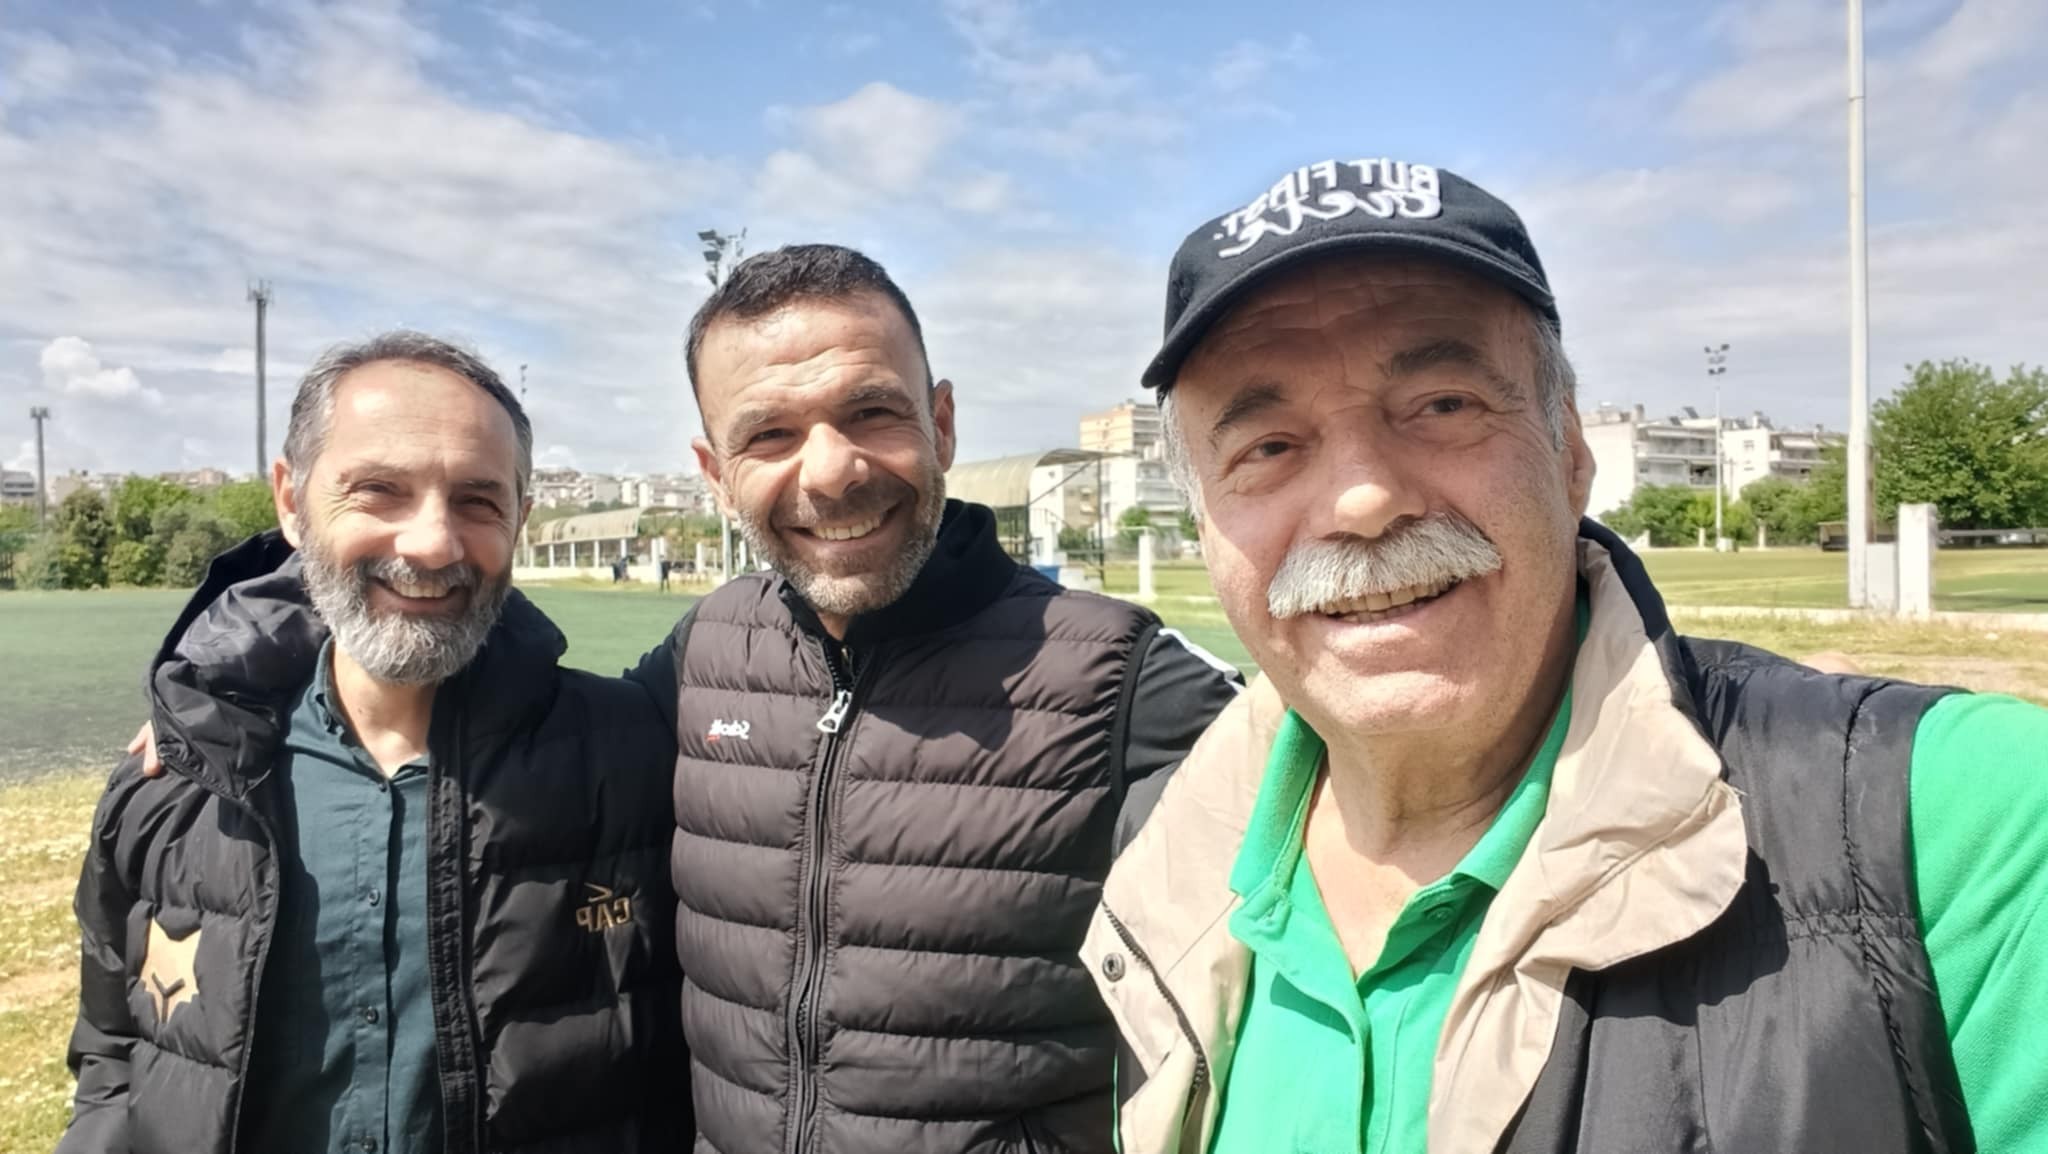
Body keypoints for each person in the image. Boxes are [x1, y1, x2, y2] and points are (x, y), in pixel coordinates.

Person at [1080, 157, 2048, 1153]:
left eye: (1442, 404)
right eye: (1268, 447)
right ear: (1204, 522)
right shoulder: (1164, 864)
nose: (1362, 499)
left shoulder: (1951, 823)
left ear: (1570, 452)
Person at [622, 244, 1243, 1153]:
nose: (830, 471)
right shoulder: (705, 648)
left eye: (871, 412)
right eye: (770, 436)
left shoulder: (1119, 675)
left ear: (941, 424)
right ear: (716, 475)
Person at [62, 333, 688, 1154]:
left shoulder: (634, 757)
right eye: (380, 491)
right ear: (292, 501)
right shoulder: (180, 780)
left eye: (477, 500)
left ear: (521, 521)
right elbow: (113, 1055)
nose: (432, 543)